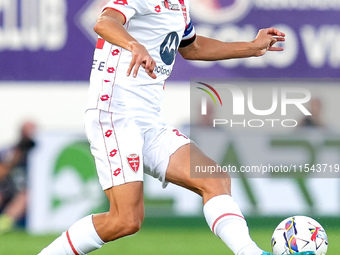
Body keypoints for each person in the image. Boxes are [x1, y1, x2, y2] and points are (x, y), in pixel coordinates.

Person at [38, 1, 315, 255]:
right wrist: (134, 45)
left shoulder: (179, 5)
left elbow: (192, 48)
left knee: (215, 179)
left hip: (148, 120)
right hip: (115, 114)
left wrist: (251, 47)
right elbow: (104, 22)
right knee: (125, 221)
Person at [0, 121, 36, 233]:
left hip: (26, 190)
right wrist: (16, 157)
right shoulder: (11, 151)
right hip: (9, 187)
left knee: (25, 196)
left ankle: (4, 223)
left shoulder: (39, 154)